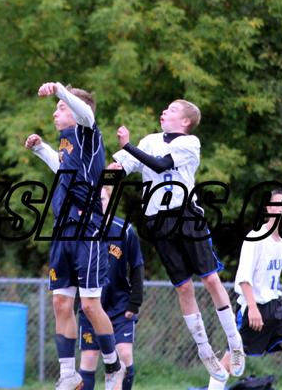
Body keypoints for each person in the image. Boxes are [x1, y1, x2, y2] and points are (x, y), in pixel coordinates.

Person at [110, 99, 244, 383]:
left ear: (185, 121)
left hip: (186, 215)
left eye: (171, 110)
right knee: (183, 287)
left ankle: (235, 343)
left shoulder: (190, 143)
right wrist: (100, 173)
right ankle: (205, 351)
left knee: (210, 279)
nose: (163, 111)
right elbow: (122, 166)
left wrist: (128, 145)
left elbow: (160, 165)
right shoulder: (149, 141)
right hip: (158, 221)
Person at [25, 82, 125, 390]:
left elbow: (85, 112)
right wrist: (41, 149)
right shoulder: (67, 142)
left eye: (61, 108)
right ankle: (68, 374)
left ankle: (114, 364)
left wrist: (60, 90)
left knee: (90, 306)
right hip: (63, 231)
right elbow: (62, 170)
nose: (56, 112)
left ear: (77, 111)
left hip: (87, 231)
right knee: (60, 303)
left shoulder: (88, 133)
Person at [208, 189, 282, 390]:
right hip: (253, 308)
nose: (281, 210)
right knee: (231, 361)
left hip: (275, 309)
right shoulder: (255, 237)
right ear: (269, 208)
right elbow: (244, 278)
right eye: (277, 205)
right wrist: (253, 308)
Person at [77, 186, 144, 390]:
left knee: (124, 354)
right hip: (91, 306)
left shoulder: (125, 230)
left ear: (111, 201)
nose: (98, 204)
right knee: (89, 358)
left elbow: (137, 266)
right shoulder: (81, 230)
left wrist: (135, 302)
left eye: (103, 199)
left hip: (119, 307)